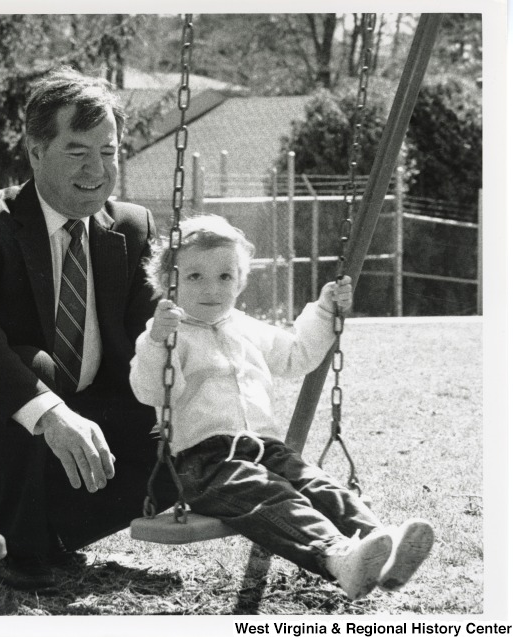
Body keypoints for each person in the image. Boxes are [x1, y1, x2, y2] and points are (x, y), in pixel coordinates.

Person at [0, 66, 176, 590]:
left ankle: (44, 531)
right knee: (36, 364)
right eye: (78, 151)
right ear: (35, 150)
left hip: (91, 397)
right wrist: (50, 415)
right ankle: (24, 551)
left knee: (176, 441)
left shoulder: (134, 227)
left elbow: (148, 345)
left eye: (109, 151)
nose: (97, 169)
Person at [129, 214, 434, 601]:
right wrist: (157, 340)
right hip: (205, 461)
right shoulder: (167, 337)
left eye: (225, 276)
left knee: (319, 484)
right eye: (194, 277)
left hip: (267, 448)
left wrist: (325, 310)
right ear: (167, 283)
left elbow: (297, 355)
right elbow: (152, 390)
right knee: (271, 496)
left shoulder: (246, 327)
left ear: (239, 281)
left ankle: (381, 545)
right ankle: (338, 557)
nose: (212, 288)